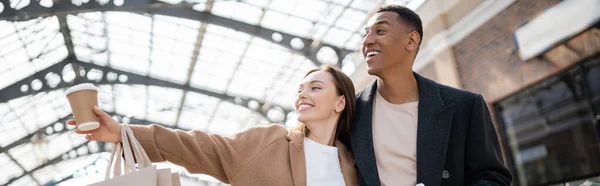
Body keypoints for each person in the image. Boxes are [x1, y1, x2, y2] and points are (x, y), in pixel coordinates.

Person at [69, 65, 358, 186]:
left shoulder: (354, 165)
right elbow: (198, 147)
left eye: (315, 88)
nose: (302, 95)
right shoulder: (270, 142)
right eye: (300, 89)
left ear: (340, 103)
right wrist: (123, 132)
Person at [352, 5, 513, 186]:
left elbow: (493, 178)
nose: (367, 41)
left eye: (380, 31)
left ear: (412, 40)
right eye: (365, 34)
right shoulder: (350, 112)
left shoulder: (465, 106)